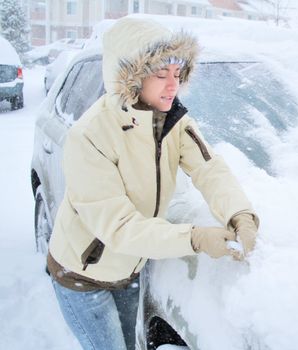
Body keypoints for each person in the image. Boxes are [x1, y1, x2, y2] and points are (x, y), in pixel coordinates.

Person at [47, 17, 259, 350]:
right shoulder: (90, 136)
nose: (172, 86)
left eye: (177, 75)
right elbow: (118, 227)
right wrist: (195, 238)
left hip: (130, 268)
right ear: (130, 78)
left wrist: (240, 214)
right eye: (161, 75)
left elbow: (209, 168)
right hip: (82, 277)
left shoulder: (174, 121)